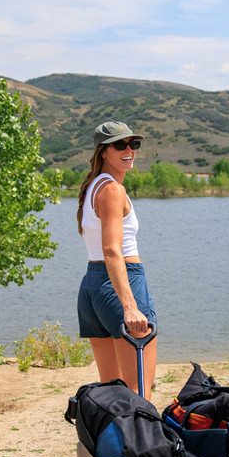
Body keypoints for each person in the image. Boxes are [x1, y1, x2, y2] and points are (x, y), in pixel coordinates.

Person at [76, 121, 157, 391]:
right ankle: (137, 435)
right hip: (121, 283)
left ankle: (109, 435)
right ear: (102, 151)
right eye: (120, 144)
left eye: (133, 144)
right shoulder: (112, 189)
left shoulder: (93, 186)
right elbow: (112, 250)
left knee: (111, 391)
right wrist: (130, 306)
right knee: (139, 390)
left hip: (93, 287)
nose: (129, 150)